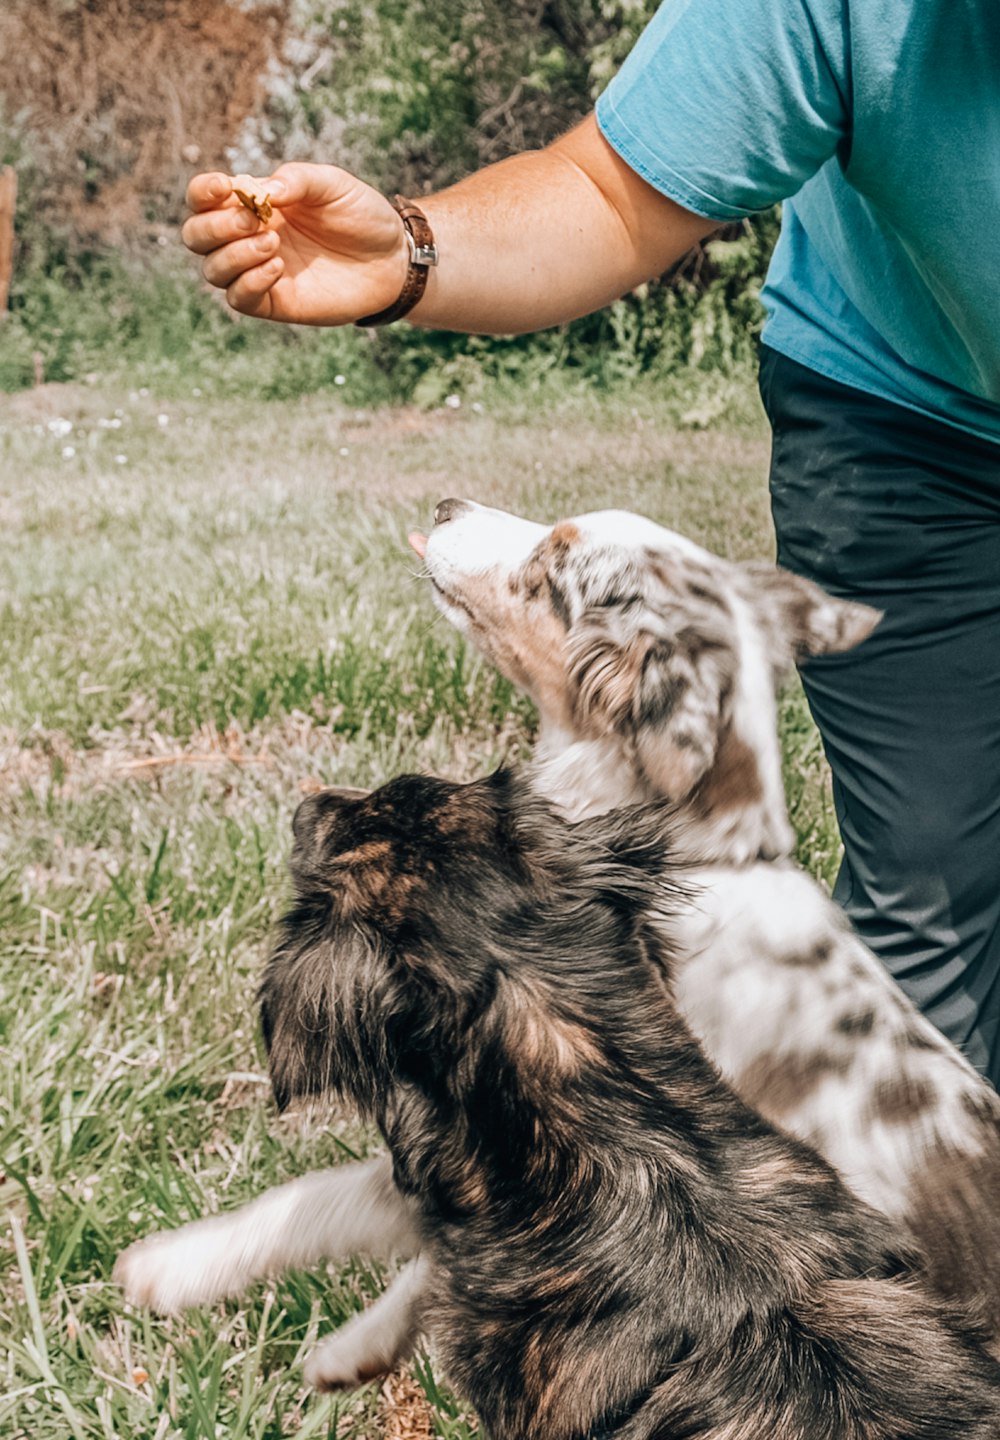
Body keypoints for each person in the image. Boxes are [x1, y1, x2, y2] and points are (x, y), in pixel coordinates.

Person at [183, 0, 1000, 1090]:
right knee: (928, 895)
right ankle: (890, 1238)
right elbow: (605, 192)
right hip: (906, 416)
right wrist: (413, 253)